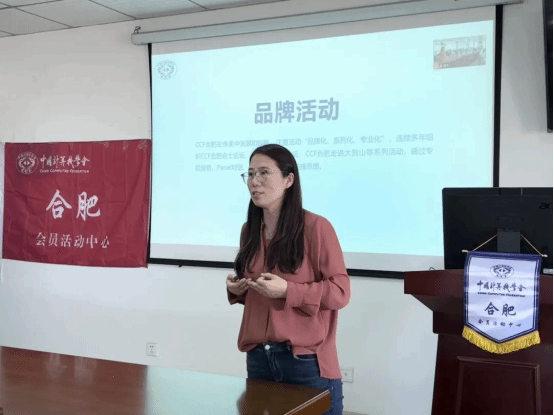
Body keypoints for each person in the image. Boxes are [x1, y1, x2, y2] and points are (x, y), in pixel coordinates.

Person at [226, 144, 350, 415]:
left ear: (288, 179)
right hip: (259, 359)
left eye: (264, 173)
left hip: (306, 362)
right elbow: (263, 293)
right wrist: (238, 289)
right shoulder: (249, 230)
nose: (254, 182)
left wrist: (288, 291)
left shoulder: (316, 227)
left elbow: (340, 292)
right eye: (250, 174)